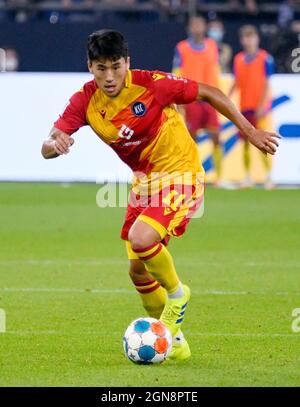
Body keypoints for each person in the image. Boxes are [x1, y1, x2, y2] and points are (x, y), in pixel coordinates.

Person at [41, 29, 279, 361]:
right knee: (137, 271)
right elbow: (47, 146)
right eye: (100, 68)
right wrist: (55, 145)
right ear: (90, 66)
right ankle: (175, 342)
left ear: (127, 62)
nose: (109, 77)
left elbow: (209, 92)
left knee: (141, 237)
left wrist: (249, 130)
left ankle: (178, 295)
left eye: (115, 66)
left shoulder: (151, 84)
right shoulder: (85, 101)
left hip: (182, 173)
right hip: (145, 183)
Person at [173, 15, 223, 186]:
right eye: (194, 25)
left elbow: (216, 71)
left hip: (209, 99)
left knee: (216, 137)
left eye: (199, 25)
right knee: (190, 140)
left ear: (205, 27)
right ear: (189, 28)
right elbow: (177, 71)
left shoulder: (212, 46)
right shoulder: (182, 48)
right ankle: (192, 176)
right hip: (191, 98)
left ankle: (219, 178)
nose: (197, 28)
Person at [229, 25, 275, 188]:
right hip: (244, 106)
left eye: (251, 37)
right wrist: (226, 98)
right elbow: (236, 81)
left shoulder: (265, 59)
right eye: (246, 38)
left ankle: (269, 176)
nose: (249, 41)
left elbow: (267, 83)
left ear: (257, 39)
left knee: (263, 142)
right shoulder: (238, 59)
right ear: (242, 40)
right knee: (245, 143)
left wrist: (263, 104)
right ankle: (247, 176)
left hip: (260, 108)